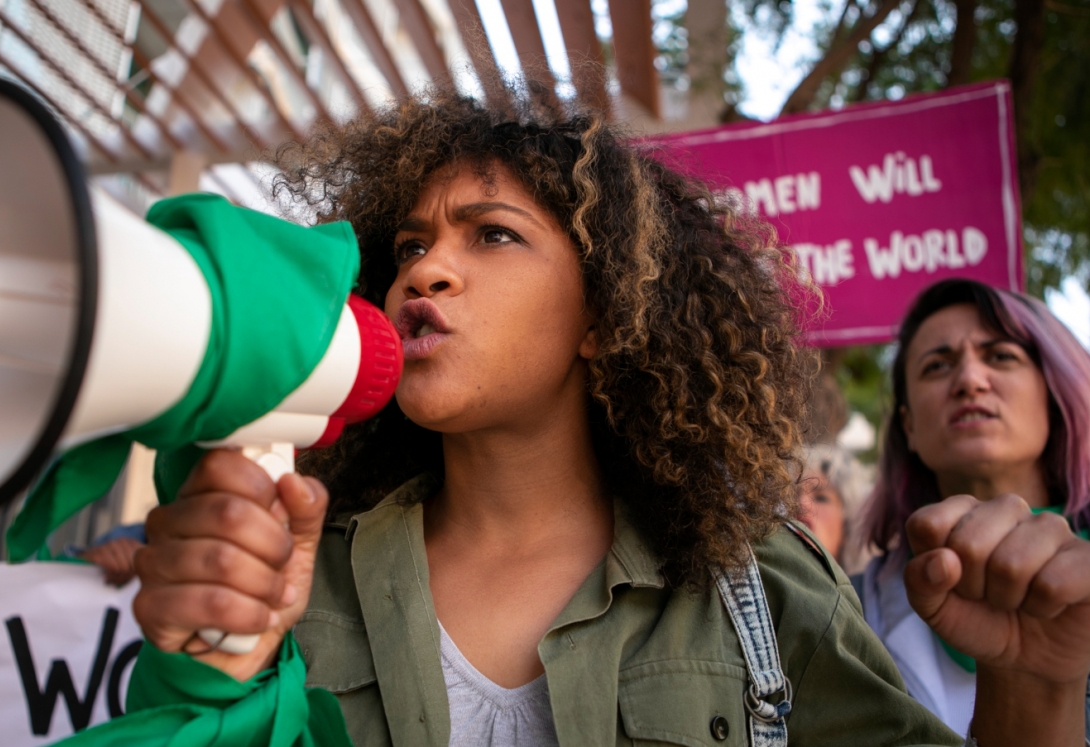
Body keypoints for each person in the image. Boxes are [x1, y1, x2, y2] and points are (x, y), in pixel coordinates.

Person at [113, 88, 1090, 747]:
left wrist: (1036, 690)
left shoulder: (757, 587)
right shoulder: (301, 575)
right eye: (409, 245)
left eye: (493, 235)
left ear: (607, 314)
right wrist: (207, 666)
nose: (423, 270)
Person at [857, 277, 1090, 737]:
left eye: (1001, 356)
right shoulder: (845, 607)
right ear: (909, 427)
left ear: (1055, 393)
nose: (969, 381)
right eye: (937, 367)